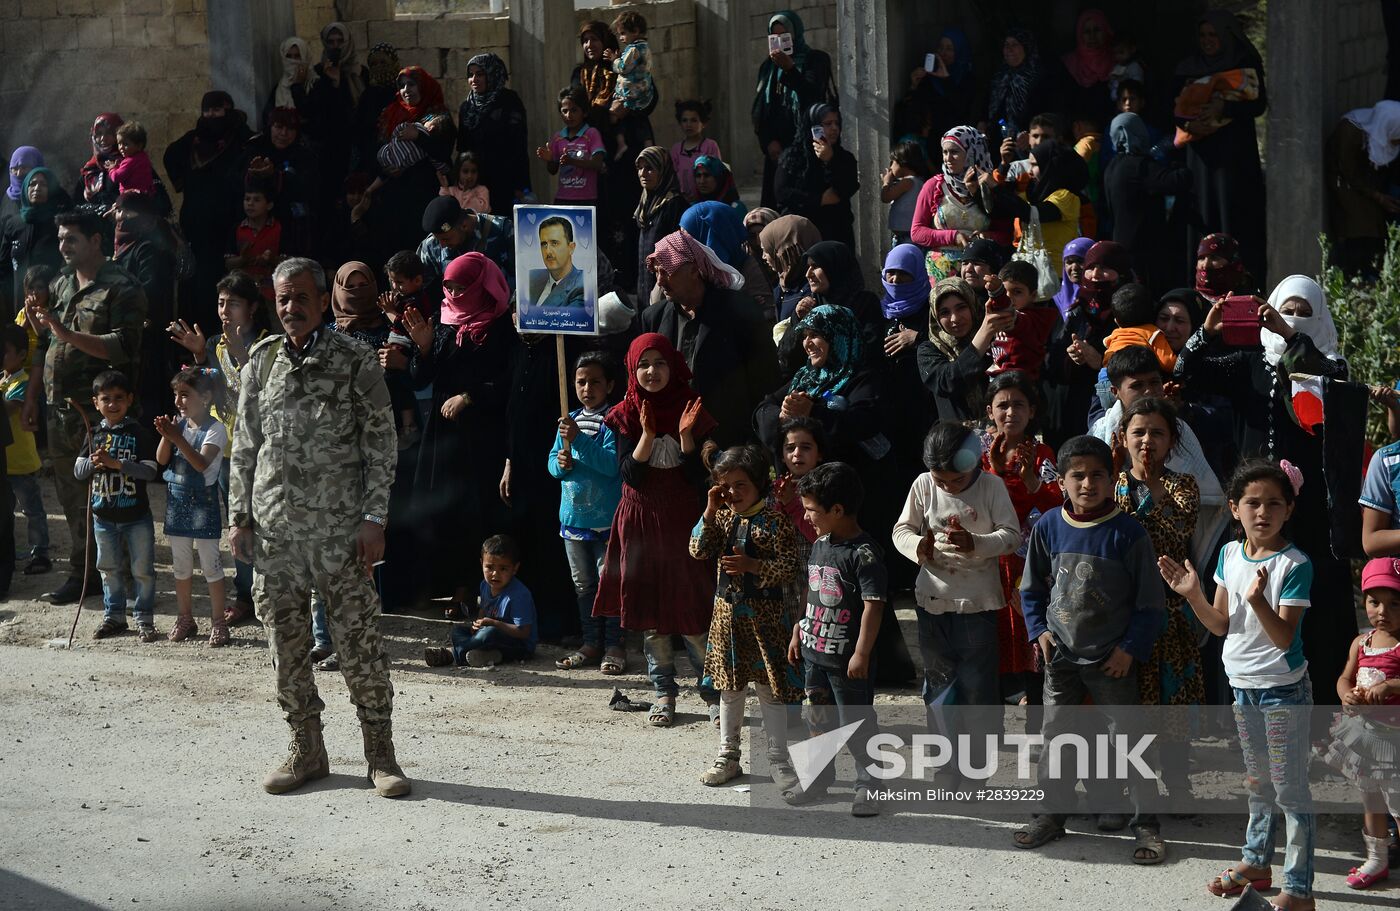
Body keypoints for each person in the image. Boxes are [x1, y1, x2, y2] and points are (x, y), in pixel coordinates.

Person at [229, 257, 408, 799]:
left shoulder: (355, 360)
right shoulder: (261, 362)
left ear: (323, 299)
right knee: (285, 647)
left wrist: (374, 519)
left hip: (340, 534)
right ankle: (306, 750)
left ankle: (381, 755)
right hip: (277, 534)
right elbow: (244, 445)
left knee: (359, 645)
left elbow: (381, 443)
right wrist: (239, 517)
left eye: (301, 297)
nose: (291, 308)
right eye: (283, 299)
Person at [1174, 274, 1355, 701]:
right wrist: (1209, 330)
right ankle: (1250, 697)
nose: (1293, 317)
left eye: (1304, 312)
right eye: (1286, 308)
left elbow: (1321, 375)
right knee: (1247, 596)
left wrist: (1287, 334)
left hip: (1310, 509)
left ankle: (1324, 711)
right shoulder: (1249, 364)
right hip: (1256, 508)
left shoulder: (1332, 365)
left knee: (1312, 600)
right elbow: (1188, 371)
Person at [1159, 460, 1315, 907]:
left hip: (1283, 691)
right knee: (1257, 781)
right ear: (1234, 508)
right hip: (1242, 687)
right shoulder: (1229, 555)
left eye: (1273, 504)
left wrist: (1258, 602)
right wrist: (1192, 594)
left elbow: (1284, 636)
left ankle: (1299, 891)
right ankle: (1257, 862)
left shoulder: (1295, 563)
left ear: (1288, 511)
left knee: (1290, 789)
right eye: (1252, 502)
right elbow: (1222, 625)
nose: (1262, 512)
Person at [1014, 435, 1164, 862]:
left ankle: (1146, 825)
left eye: (1097, 474)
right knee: (1055, 736)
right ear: (1060, 481)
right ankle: (1050, 816)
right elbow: (1030, 590)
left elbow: (1150, 604)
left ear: (1112, 478)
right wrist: (1038, 631)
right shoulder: (1047, 527)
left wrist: (1130, 650)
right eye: (1077, 476)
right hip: (1060, 657)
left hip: (1113, 659)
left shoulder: (1128, 533)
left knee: (1129, 742)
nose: (1087, 484)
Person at [593, 334, 720, 728]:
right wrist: (647, 435)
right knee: (650, 616)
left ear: (674, 366)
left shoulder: (693, 408)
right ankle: (663, 693)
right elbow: (630, 474)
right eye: (643, 364)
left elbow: (699, 477)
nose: (652, 371)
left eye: (660, 363)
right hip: (640, 520)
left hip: (683, 520)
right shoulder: (625, 412)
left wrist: (685, 437)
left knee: (693, 610)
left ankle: (713, 694)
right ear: (632, 369)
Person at [23, 211, 147, 605]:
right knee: (72, 495)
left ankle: (121, 577)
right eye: (61, 238)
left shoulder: (122, 287)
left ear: (96, 241)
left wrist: (65, 333)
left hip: (101, 414)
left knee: (110, 494)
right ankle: (84, 573)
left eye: (71, 239)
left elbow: (125, 347)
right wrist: (31, 396)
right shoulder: (60, 282)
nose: (63, 246)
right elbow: (47, 345)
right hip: (59, 409)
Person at [892, 421, 1020, 778]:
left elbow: (1011, 536)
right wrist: (919, 547)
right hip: (932, 603)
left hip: (977, 606)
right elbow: (901, 530)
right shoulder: (922, 485)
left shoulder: (991, 487)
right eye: (941, 480)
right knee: (939, 686)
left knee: (978, 690)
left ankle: (976, 766)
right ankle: (946, 765)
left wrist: (977, 544)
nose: (948, 487)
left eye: (956, 481)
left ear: (976, 464)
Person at [403, 252, 517, 608]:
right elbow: (423, 377)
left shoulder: (502, 326)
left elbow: (507, 382)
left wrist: (469, 397)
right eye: (449, 286)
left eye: (461, 286)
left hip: (481, 437)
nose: (453, 293)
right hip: (444, 435)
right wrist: (423, 348)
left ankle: (477, 588)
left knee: (476, 512)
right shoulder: (445, 321)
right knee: (444, 512)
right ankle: (449, 584)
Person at [690, 444, 802, 787]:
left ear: (758, 484)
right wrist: (709, 512)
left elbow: (789, 566)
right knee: (730, 689)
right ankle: (728, 755)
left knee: (769, 689)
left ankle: (778, 759)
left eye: (741, 485)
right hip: (728, 621)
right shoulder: (721, 517)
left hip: (765, 622)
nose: (733, 492)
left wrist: (754, 566)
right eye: (726, 485)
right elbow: (698, 550)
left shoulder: (775, 520)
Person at [1113, 396, 1204, 797]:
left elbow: (1173, 536)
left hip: (1170, 612)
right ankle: (1138, 785)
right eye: (1139, 432)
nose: (1147, 440)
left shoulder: (1183, 486)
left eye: (1157, 433)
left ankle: (1178, 781)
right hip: (1123, 614)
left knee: (1173, 703)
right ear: (1122, 437)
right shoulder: (1110, 485)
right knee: (1133, 704)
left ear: (1172, 441)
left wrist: (1151, 486)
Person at [787, 461, 886, 815]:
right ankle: (816, 779)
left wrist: (861, 653)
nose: (808, 517)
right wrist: (800, 627)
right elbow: (810, 590)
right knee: (818, 721)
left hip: (847, 663)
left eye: (812, 510)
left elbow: (873, 606)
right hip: (815, 655)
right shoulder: (820, 545)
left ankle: (870, 784)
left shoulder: (864, 554)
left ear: (838, 509)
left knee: (855, 723)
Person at [171, 270, 268, 623]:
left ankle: (274, 595)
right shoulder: (213, 345)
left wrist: (241, 352)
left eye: (235, 304)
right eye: (221, 303)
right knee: (238, 522)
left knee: (271, 523)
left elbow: (262, 390)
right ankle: (245, 597)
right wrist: (200, 358)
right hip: (229, 451)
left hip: (264, 449)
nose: (225, 310)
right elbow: (210, 391)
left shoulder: (268, 343)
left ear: (253, 308)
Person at [641, 229, 776, 448]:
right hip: (670, 442)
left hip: (728, 440)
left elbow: (764, 378)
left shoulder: (738, 311)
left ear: (694, 270)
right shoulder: (653, 318)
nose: (660, 280)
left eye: (667, 272)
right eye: (656, 272)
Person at [978, 371, 1061, 708]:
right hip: (989, 560)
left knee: (1033, 641)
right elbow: (981, 504)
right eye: (1003, 405)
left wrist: (1031, 483)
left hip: (1030, 563)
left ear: (1031, 411)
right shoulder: (978, 453)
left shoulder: (1041, 453)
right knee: (991, 643)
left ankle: (1037, 725)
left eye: (1018, 405)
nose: (1010, 412)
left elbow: (1056, 505)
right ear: (989, 411)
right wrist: (998, 472)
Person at [1173, 11, 1269, 282]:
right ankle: (1204, 281)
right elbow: (1174, 107)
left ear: (1226, 36)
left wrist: (1224, 106)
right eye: (1203, 35)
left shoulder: (1243, 62)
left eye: (1213, 35)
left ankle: (1240, 279)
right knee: (1204, 213)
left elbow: (1258, 104)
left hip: (1234, 158)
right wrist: (1190, 121)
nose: (1207, 41)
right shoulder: (1189, 66)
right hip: (1200, 158)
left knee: (1234, 212)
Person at [1323, 557, 1400, 890]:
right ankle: (1377, 859)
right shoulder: (1361, 643)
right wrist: (1345, 695)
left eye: (1395, 603)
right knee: (1370, 797)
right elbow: (1344, 677)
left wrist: (1391, 687)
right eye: (1374, 602)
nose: (1383, 610)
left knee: (1398, 802)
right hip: (1364, 738)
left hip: (1395, 741)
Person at [550, 351, 625, 674]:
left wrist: (578, 441)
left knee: (610, 583)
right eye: (581, 382)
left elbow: (611, 467)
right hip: (573, 521)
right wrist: (560, 465)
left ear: (609, 385)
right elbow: (553, 462)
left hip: (606, 522)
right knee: (584, 586)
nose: (587, 388)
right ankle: (590, 642)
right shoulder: (568, 421)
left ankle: (614, 646)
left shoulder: (614, 421)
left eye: (595, 381)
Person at [75, 370, 158, 641]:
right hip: (103, 515)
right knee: (108, 568)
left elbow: (149, 472)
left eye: (119, 398)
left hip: (136, 515)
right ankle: (114, 617)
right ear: (96, 402)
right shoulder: (93, 433)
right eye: (106, 399)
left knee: (142, 569)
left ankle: (144, 618)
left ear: (130, 400)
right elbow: (78, 470)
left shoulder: (138, 432)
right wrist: (93, 464)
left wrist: (117, 464)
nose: (112, 404)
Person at [163, 92, 254, 329]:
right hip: (196, 226)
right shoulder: (194, 139)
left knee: (224, 282)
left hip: (227, 226)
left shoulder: (241, 137)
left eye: (218, 110)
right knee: (196, 286)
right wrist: (183, 182)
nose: (212, 116)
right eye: (208, 111)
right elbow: (170, 155)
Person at [155, 367, 229, 646]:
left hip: (203, 504)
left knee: (211, 566)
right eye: (176, 394)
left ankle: (218, 621)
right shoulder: (180, 426)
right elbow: (162, 460)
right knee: (181, 566)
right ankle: (185, 617)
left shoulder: (216, 429)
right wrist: (167, 435)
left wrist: (176, 437)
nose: (179, 401)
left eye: (185, 395)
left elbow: (200, 464)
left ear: (206, 397)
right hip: (177, 501)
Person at [367, 67, 456, 255]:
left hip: (424, 196)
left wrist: (419, 137)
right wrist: (388, 168)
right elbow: (376, 151)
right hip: (394, 197)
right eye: (401, 85)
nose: (406, 90)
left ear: (424, 86)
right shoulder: (390, 114)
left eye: (412, 84)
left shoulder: (439, 117)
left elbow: (443, 155)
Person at [752, 10, 834, 209]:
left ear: (796, 34)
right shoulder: (768, 68)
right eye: (775, 37)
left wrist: (790, 69)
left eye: (784, 36)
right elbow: (761, 110)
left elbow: (813, 96)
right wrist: (768, 141)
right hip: (777, 150)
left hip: (806, 144)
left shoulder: (815, 60)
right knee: (777, 202)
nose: (779, 42)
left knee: (805, 203)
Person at [1102, 112, 1192, 289]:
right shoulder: (1138, 165)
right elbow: (1177, 180)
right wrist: (1178, 154)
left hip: (1122, 245)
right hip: (1144, 250)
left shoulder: (1112, 166)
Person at [112, 191, 178, 423]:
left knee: (148, 389)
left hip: (147, 331)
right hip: (126, 329)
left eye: (129, 212)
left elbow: (150, 288)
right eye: (119, 211)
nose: (121, 217)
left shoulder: (148, 247)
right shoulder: (121, 245)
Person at [425, 535, 537, 668]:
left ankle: (452, 655)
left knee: (489, 633)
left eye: (503, 569)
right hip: (490, 637)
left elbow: (523, 632)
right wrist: (477, 626)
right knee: (458, 631)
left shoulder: (519, 594)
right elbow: (483, 610)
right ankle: (489, 656)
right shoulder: (484, 585)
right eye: (490, 567)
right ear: (481, 564)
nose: (495, 574)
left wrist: (494, 624)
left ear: (515, 568)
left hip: (519, 646)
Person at [918, 276, 1010, 423]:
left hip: (1000, 431)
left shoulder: (996, 339)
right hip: (958, 441)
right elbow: (947, 382)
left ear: (972, 305)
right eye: (944, 312)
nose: (954, 318)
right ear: (935, 316)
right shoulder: (929, 349)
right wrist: (983, 335)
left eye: (961, 307)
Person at [1327, 100, 1400, 275]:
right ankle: (1356, 274)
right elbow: (1349, 171)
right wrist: (1378, 197)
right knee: (1363, 224)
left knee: (1377, 221)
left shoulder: (1379, 131)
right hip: (1345, 183)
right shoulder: (1350, 132)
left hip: (1362, 185)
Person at [994, 141, 1087, 276]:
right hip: (1029, 275)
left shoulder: (1067, 197)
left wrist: (995, 188)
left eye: (1035, 165)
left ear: (1050, 167)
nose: (1030, 171)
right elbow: (998, 209)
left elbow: (1031, 214)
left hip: (1054, 277)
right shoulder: (1031, 192)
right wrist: (1003, 167)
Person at [455, 53, 530, 216]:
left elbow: (518, 145)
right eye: (470, 75)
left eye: (480, 74)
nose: (474, 79)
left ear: (492, 74)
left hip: (504, 181)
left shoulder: (509, 101)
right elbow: (462, 148)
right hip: (475, 182)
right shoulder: (467, 107)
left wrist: (521, 186)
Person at [774, 103, 859, 247]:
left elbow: (847, 187)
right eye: (827, 124)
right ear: (812, 127)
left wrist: (830, 161)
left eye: (837, 123)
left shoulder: (844, 158)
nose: (834, 128)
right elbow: (782, 193)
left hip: (837, 233)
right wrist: (818, 200)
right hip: (801, 234)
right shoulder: (793, 157)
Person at [909, 125, 1002, 255]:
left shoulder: (989, 185)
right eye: (945, 152)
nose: (948, 158)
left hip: (979, 269)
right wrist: (953, 237)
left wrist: (986, 236)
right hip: (942, 271)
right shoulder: (934, 185)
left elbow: (1006, 234)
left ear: (972, 152)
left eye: (954, 152)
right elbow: (917, 232)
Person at [676, 201, 773, 319]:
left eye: (687, 234)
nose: (681, 241)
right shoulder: (685, 266)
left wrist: (746, 306)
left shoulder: (746, 267)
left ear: (709, 235)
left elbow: (767, 315)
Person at [2, 324, 47, 575]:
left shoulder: (22, 382)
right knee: (7, 510)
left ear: (21, 355)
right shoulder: (3, 380)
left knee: (32, 509)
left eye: (5, 352)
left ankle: (40, 551)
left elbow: (7, 409)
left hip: (21, 462)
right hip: (5, 462)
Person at [1, 167, 71, 305]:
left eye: (43, 184)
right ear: (25, 187)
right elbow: (4, 264)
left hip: (54, 302)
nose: (37, 188)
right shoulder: (14, 224)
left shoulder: (60, 223)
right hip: (17, 302)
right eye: (32, 184)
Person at [415, 195, 515, 287]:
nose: (442, 245)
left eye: (446, 239)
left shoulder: (503, 230)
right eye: (438, 240)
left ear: (464, 226)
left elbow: (524, 276)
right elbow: (413, 284)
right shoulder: (431, 245)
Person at [985, 259, 1059, 381]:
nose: (1008, 297)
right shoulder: (998, 313)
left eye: (1017, 292)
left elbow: (1012, 318)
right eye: (1005, 291)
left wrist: (998, 294)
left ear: (1033, 295)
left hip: (1020, 381)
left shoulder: (1032, 320)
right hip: (997, 376)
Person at [634, 146, 688, 305]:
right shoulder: (644, 204)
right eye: (640, 168)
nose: (643, 173)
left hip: (664, 285)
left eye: (650, 168)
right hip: (644, 283)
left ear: (663, 170)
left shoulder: (674, 204)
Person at [537, 86, 607, 208]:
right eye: (565, 111)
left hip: (587, 200)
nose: (569, 115)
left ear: (584, 112)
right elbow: (553, 170)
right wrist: (550, 160)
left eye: (574, 110)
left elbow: (597, 164)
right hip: (562, 199)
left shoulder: (591, 134)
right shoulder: (558, 137)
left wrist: (571, 161)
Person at [758, 213, 821, 333]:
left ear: (782, 250)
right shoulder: (783, 286)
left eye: (766, 250)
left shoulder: (815, 288)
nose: (764, 257)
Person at [1057, 9, 1117, 128]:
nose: (1092, 36)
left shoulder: (1118, 62)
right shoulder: (1068, 64)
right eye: (1087, 31)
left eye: (1097, 30)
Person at [987, 29, 1049, 140]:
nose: (1009, 49)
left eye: (1015, 44)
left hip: (1028, 141)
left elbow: (1044, 113)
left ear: (1026, 48)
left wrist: (1031, 135)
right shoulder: (1000, 76)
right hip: (1000, 139)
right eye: (1006, 45)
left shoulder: (1039, 77)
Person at [608, 11, 656, 154]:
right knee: (640, 122)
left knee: (616, 117)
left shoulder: (634, 49)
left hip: (630, 93)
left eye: (623, 33)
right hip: (643, 93)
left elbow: (623, 67)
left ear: (635, 31)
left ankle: (621, 143)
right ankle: (648, 146)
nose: (621, 38)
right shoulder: (645, 47)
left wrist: (614, 60)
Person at [75, 112, 125, 219]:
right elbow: (75, 203)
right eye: (98, 134)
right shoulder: (89, 170)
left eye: (109, 133)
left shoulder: (131, 164)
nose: (103, 139)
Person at [527, 216, 585, 310]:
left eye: (554, 243)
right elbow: (518, 297)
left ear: (571, 248)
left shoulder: (582, 285)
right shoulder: (532, 275)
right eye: (544, 244)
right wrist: (515, 308)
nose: (548, 251)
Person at [881, 140, 930, 248]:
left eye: (893, 162)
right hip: (908, 236)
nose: (890, 167)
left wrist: (886, 182)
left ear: (903, 163)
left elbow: (885, 197)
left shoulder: (907, 182)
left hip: (906, 237)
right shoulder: (918, 181)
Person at [671, 100, 720, 201]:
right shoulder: (676, 149)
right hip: (682, 200)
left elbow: (717, 174)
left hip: (706, 200)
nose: (688, 124)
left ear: (703, 123)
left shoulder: (710, 146)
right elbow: (672, 177)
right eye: (684, 120)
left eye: (694, 120)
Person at [1052, 236, 1094, 318]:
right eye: (1069, 262)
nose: (1074, 267)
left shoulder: (1103, 297)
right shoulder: (1056, 302)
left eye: (1080, 261)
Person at [110, 121, 155, 198]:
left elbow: (117, 177)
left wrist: (112, 168)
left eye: (125, 144)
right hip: (145, 197)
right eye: (119, 144)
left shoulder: (130, 161)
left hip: (131, 198)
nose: (121, 147)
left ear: (139, 146)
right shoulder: (143, 158)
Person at [3, 146, 43, 224]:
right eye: (14, 169)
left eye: (24, 168)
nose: (18, 174)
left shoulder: (52, 197)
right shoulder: (7, 198)